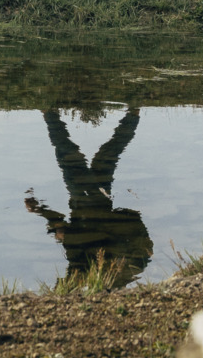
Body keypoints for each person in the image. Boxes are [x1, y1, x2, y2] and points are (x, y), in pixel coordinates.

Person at [23, 106, 153, 288]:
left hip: (101, 201)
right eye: (62, 281)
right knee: (68, 155)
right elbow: (61, 225)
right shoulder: (80, 263)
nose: (61, 277)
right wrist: (39, 210)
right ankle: (49, 113)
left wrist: (46, 216)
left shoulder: (97, 271)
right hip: (85, 197)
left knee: (106, 156)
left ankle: (133, 114)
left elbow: (63, 229)